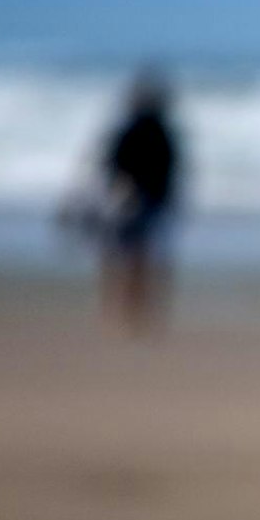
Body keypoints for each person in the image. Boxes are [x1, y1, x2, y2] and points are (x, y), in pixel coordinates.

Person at [95, 67, 183, 336]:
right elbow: (113, 165)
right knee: (135, 258)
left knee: (133, 258)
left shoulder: (153, 130)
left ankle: (132, 312)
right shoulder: (151, 130)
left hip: (145, 203)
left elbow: (110, 165)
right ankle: (130, 312)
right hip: (138, 202)